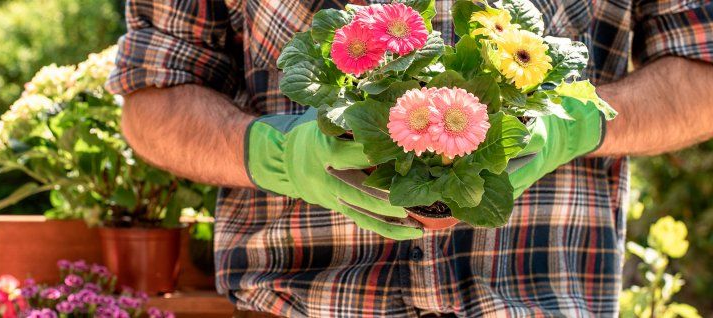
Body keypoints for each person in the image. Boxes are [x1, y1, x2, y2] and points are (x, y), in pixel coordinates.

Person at [107, 0, 713, 316]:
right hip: (301, 302)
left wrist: (577, 122)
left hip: (537, 300)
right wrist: (274, 152)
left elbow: (700, 75)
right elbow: (153, 100)